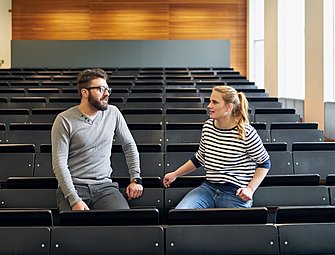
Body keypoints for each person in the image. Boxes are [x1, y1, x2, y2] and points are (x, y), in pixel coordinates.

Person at [163, 85, 270, 209]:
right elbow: (200, 158)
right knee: (181, 214)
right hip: (208, 189)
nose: (209, 106)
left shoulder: (246, 132)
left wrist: (250, 189)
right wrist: (175, 174)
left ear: (229, 107)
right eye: (210, 101)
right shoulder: (208, 126)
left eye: (215, 102)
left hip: (235, 193)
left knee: (235, 227)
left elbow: (264, 163)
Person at [51, 68, 143, 211]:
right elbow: (59, 163)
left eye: (107, 89)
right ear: (85, 92)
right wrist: (74, 200)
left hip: (105, 187)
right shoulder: (64, 120)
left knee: (124, 223)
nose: (106, 93)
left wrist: (135, 179)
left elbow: (129, 145)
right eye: (100, 89)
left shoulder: (113, 113)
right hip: (74, 187)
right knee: (74, 231)